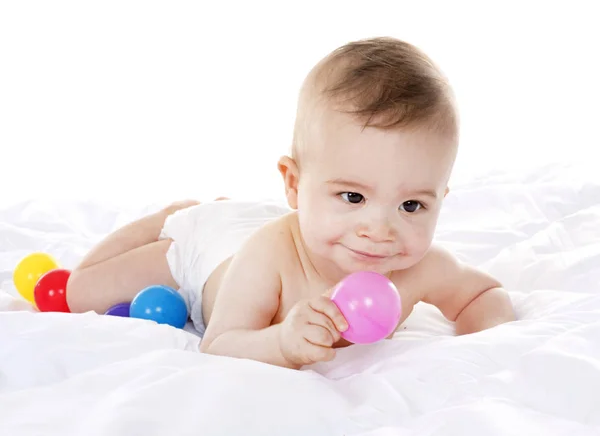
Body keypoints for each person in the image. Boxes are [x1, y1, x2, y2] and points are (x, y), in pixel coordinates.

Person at [66, 37, 516, 369]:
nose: (380, 230)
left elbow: (484, 293)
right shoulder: (273, 255)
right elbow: (219, 343)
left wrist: (484, 347)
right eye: (353, 196)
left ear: (441, 199)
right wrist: (281, 342)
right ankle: (172, 216)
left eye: (412, 206)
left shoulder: (422, 267)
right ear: (295, 184)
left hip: (261, 225)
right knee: (77, 291)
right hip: (207, 248)